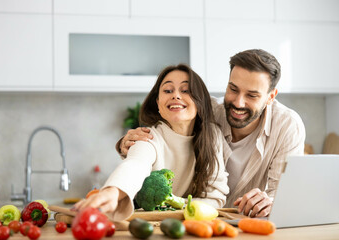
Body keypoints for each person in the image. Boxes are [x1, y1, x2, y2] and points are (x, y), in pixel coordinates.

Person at [117, 49, 306, 218]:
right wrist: (127, 144)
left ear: (270, 97)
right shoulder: (208, 111)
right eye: (233, 89)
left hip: (248, 223)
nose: (238, 103)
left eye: (252, 95)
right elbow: (168, 135)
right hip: (201, 220)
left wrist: (271, 202)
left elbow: (282, 196)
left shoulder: (287, 126)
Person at [73, 64, 229, 221]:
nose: (176, 95)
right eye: (168, 90)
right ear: (158, 103)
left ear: (200, 101)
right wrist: (112, 191)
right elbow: (135, 165)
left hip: (192, 227)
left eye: (185, 90)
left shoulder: (212, 135)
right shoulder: (148, 137)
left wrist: (177, 204)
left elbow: (215, 199)